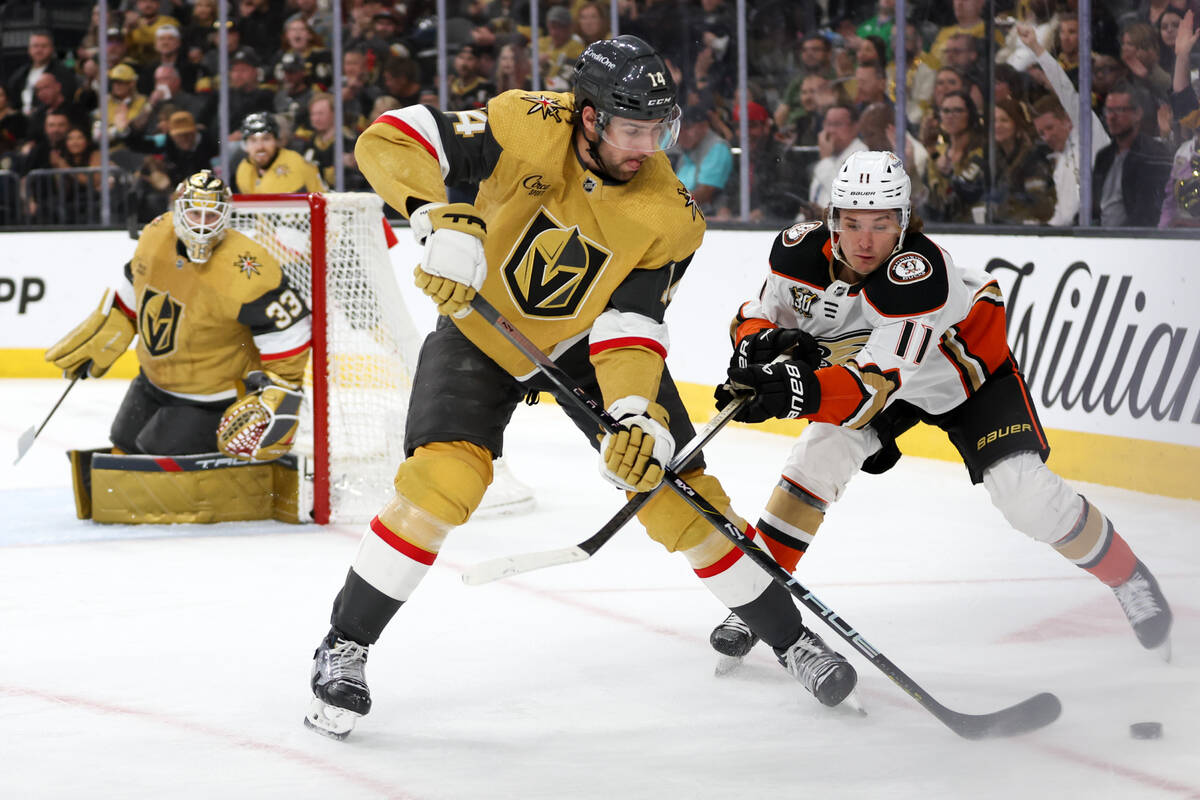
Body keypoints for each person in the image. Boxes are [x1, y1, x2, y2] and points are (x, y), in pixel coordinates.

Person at [303, 34, 860, 741]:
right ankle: (345, 643)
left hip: (588, 349)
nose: (647, 146)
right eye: (633, 128)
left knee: (678, 497)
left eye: (660, 128)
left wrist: (635, 412)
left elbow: (631, 323)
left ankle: (790, 639)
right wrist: (435, 214)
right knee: (442, 481)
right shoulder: (525, 121)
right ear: (588, 117)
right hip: (482, 328)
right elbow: (390, 138)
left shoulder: (671, 215)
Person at [707, 150, 1173, 667]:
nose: (865, 241)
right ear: (831, 219)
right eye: (853, 223)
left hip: (963, 374)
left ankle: (1128, 576)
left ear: (904, 223)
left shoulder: (921, 275)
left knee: (1026, 499)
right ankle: (762, 602)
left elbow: (871, 387)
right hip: (882, 377)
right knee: (816, 458)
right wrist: (760, 344)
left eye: (881, 225)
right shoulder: (797, 253)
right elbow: (753, 315)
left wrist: (793, 392)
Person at [43, 170, 312, 519]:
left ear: (226, 215)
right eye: (195, 214)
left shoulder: (249, 267)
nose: (202, 224)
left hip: (211, 394)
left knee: (154, 452)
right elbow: (134, 287)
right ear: (178, 209)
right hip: (153, 380)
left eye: (212, 215)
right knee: (122, 441)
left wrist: (279, 392)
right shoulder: (156, 233)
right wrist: (114, 324)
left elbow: (289, 333)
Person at [1018, 22, 1111, 227]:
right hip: (1071, 240)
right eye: (1041, 132)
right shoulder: (1060, 165)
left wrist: (1037, 49)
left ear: (1068, 121)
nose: (1046, 137)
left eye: (1050, 128)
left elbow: (1065, 90)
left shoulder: (1090, 135)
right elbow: (1063, 216)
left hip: (1099, 233)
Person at [1093, 83, 1173, 227]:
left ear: (1138, 114)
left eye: (1120, 110)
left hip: (1132, 241)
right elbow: (1092, 208)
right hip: (1099, 239)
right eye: (1108, 111)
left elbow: (1147, 214)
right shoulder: (1104, 156)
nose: (1111, 117)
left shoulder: (1153, 154)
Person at [233, 112, 325, 194]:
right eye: (253, 140)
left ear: (276, 141)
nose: (260, 147)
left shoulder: (297, 163)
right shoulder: (244, 168)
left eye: (266, 139)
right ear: (245, 145)